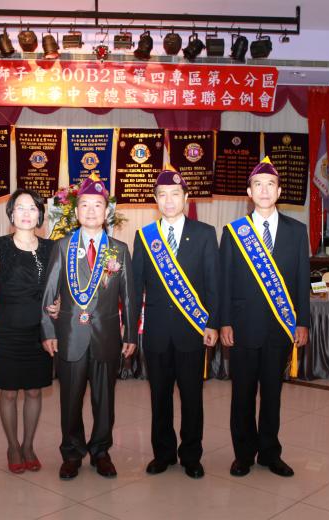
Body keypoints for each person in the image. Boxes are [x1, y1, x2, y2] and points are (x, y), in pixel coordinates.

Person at [40, 173, 138, 480]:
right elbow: (49, 293)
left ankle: (101, 452)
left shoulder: (118, 249)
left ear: (107, 211)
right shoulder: (62, 247)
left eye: (97, 204)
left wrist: (130, 333)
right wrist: (48, 331)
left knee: (104, 400)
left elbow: (129, 296)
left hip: (106, 337)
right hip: (70, 336)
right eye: (85, 205)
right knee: (70, 400)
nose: (91, 210)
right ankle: (72, 453)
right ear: (76, 211)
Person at [219, 157, 310, 478]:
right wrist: (224, 321)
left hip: (280, 327)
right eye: (258, 185)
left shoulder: (297, 232)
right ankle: (243, 454)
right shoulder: (234, 232)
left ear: (279, 191)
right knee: (242, 394)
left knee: (272, 394)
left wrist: (302, 321)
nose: (264, 190)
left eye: (270, 184)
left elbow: (301, 279)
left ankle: (270, 453)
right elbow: (225, 281)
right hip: (242, 326)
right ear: (249, 192)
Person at [132, 168, 219, 479]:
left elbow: (213, 283)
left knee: (192, 397)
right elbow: (135, 287)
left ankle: (191, 455)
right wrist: (130, 330)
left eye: (175, 194)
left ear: (186, 198)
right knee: (159, 397)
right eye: (162, 195)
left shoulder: (205, 233)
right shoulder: (145, 236)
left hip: (192, 331)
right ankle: (163, 454)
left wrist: (212, 323)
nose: (169, 201)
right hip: (156, 332)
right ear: (155, 200)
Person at [0, 189, 58, 474]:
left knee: (35, 391)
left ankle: (28, 446)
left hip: (40, 331)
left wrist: (58, 305)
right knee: (9, 392)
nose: (26, 213)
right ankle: (13, 447)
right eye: (20, 208)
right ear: (11, 214)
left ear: (40, 214)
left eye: (32, 208)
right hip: (6, 328)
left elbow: (57, 289)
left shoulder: (52, 248)